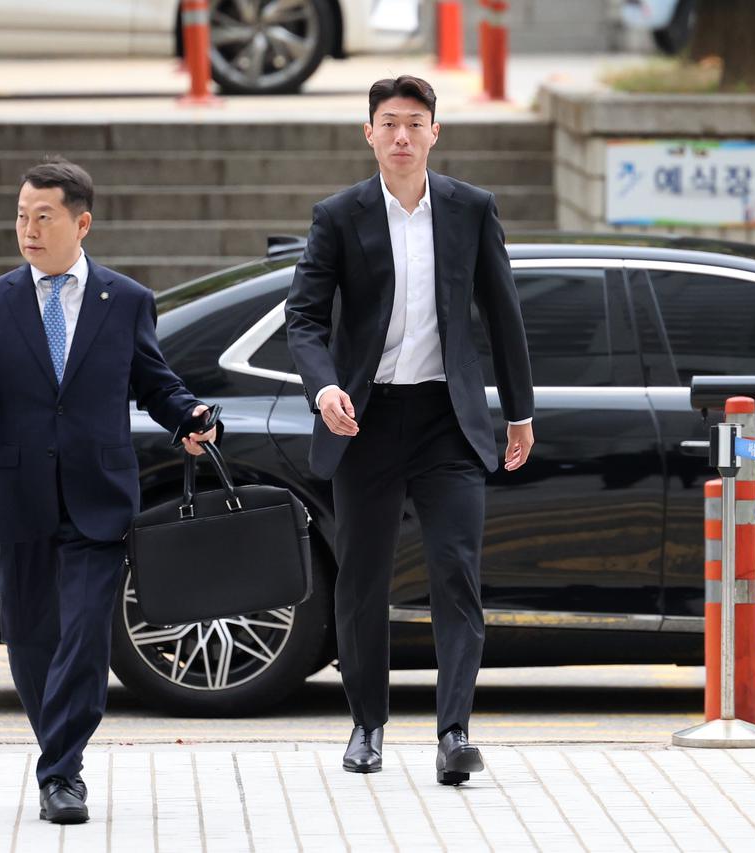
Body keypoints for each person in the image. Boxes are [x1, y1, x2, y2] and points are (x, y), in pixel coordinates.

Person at [0, 159, 219, 824]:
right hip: (19, 496)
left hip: (98, 497)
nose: (28, 229)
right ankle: (59, 753)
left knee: (87, 634)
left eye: (44, 216)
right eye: (21, 215)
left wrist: (190, 416)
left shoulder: (125, 301)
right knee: (31, 639)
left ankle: (62, 771)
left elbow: (155, 382)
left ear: (81, 222)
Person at [285, 75, 534, 785]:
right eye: (388, 123)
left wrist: (519, 409)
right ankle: (367, 723)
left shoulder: (470, 209)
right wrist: (326, 386)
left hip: (446, 420)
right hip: (363, 418)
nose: (401, 136)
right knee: (362, 578)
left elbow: (503, 312)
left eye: (414, 123)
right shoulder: (339, 216)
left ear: (435, 133)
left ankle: (454, 732)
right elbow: (303, 318)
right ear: (369, 133)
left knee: (456, 573)